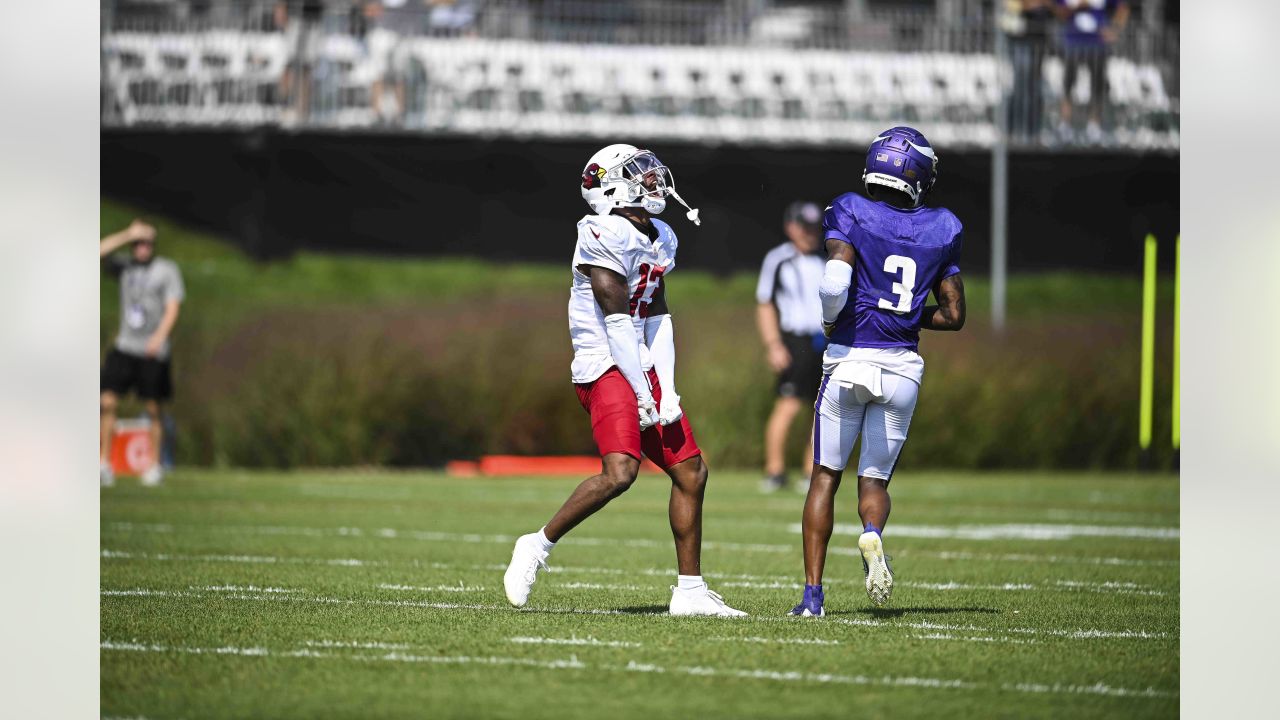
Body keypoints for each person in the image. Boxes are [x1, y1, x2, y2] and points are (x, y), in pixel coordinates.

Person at [503, 143, 746, 617]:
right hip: (603, 363)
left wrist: (668, 388)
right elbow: (616, 321)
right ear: (611, 187)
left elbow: (657, 316)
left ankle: (690, 591)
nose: (654, 179)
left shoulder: (661, 235)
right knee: (621, 473)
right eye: (639, 173)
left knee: (691, 472)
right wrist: (640, 391)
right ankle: (536, 545)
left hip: (638, 361)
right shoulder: (601, 232)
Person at [789, 127, 966, 616]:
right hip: (902, 367)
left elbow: (834, 280)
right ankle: (870, 534)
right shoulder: (944, 226)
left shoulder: (850, 209)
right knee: (875, 484)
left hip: (849, 358)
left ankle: (812, 597)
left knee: (825, 477)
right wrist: (907, 315)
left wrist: (831, 320)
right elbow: (953, 316)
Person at [99, 219, 186, 487]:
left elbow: (173, 307)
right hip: (126, 346)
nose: (142, 248)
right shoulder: (125, 266)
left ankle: (154, 465)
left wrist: (159, 338)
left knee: (153, 408)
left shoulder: (166, 270)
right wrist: (128, 233)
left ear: (153, 245)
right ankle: (103, 464)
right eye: (138, 243)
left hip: (153, 349)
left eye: (146, 242)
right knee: (107, 402)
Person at [755, 201, 826, 493]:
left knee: (822, 408)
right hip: (793, 340)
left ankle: (811, 469)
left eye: (813, 227)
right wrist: (773, 344)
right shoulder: (779, 259)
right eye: (804, 226)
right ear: (791, 227)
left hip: (824, 339)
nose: (809, 233)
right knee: (789, 404)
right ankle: (775, 470)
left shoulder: (827, 259)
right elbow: (765, 304)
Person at [1055, 0, 1130, 143]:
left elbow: (1122, 8)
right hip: (1073, 43)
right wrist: (1077, 7)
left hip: (1098, 44)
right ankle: (1065, 124)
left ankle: (1094, 124)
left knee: (1098, 85)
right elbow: (1058, 11)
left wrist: (1115, 29)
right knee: (1068, 84)